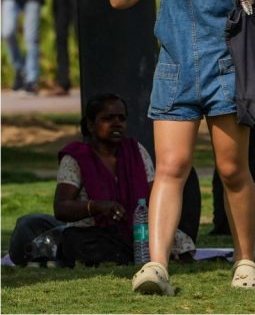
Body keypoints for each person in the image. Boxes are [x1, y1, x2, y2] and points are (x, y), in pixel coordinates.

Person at [109, 0, 255, 294]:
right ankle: (156, 266)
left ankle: (246, 260)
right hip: (174, 72)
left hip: (227, 70)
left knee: (233, 170)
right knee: (171, 169)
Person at [8, 94, 195, 267]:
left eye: (121, 119)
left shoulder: (136, 151)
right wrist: (96, 207)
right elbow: (61, 208)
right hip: (92, 233)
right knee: (37, 227)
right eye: (108, 118)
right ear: (90, 125)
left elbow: (155, 193)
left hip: (136, 231)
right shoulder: (76, 157)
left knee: (174, 235)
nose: (116, 124)